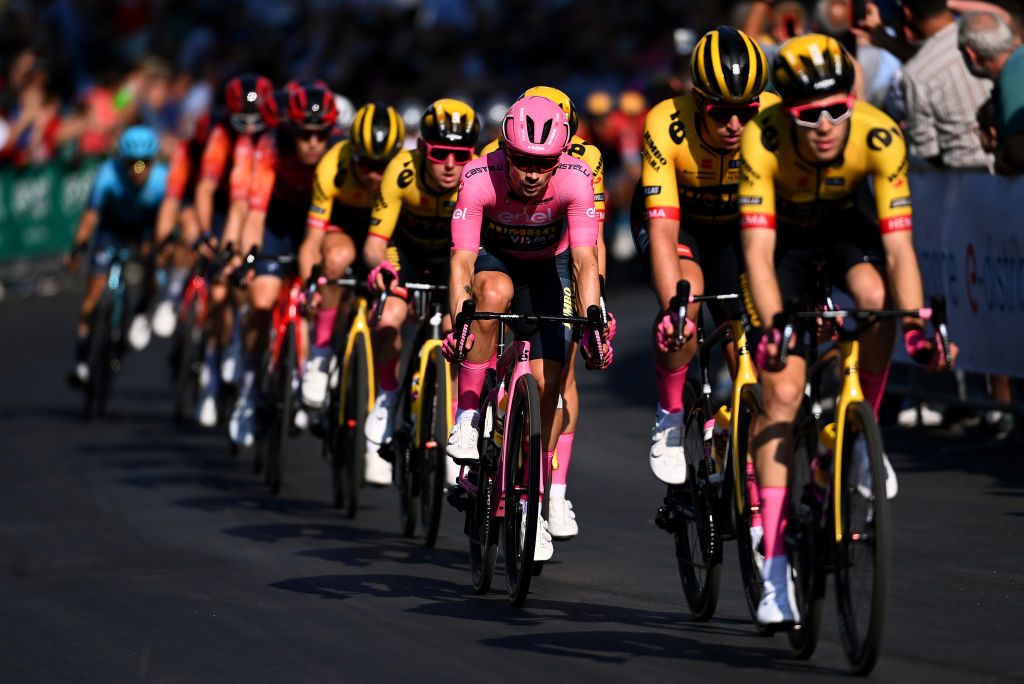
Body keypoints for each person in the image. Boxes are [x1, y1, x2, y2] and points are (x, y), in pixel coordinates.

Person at [739, 34, 957, 626]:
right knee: (782, 391)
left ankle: (859, 435)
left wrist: (917, 327)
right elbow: (757, 254)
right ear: (788, 113)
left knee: (878, 297)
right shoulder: (762, 139)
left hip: (841, 231)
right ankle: (777, 569)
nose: (829, 124)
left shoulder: (880, 134)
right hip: (782, 244)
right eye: (812, 115)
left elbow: (900, 249)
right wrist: (775, 327)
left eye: (840, 107)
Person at [445, 96, 613, 562]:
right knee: (492, 294)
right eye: (522, 161)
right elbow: (461, 259)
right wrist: (461, 312)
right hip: (495, 260)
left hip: (550, 266)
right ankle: (469, 415)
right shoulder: (479, 177)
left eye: (544, 163)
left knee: (548, 390)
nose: (534, 173)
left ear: (560, 156)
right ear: (505, 151)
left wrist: (594, 313)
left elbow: (584, 259)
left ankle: (532, 508)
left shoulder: (577, 180)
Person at [631, 26, 777, 485]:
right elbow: (662, 228)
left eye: (746, 112)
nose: (736, 125)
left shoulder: (775, 120)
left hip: (738, 226)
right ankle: (671, 415)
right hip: (681, 223)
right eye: (721, 113)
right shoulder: (664, 122)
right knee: (687, 300)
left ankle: (749, 447)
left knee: (749, 334)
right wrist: (674, 307)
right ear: (697, 101)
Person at [360, 98, 479, 486]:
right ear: (422, 149)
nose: (449, 164)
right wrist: (382, 267)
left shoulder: (476, 176)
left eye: (459, 155)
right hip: (406, 253)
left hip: (452, 259)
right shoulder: (402, 169)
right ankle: (387, 395)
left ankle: (461, 426)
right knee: (389, 318)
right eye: (439, 153)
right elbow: (376, 240)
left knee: (457, 330)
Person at [226, 81, 337, 447]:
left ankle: (317, 374)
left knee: (325, 297)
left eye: (320, 136)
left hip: (318, 224)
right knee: (261, 299)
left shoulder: (337, 151)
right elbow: (254, 212)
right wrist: (246, 258)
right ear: (292, 130)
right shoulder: (272, 146)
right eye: (304, 135)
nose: (312, 144)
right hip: (276, 222)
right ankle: (250, 385)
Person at [298, 102, 406, 413]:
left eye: (381, 165)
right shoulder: (333, 164)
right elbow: (311, 242)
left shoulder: (402, 170)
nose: (374, 174)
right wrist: (311, 287)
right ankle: (320, 351)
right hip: (343, 224)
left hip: (386, 231)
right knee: (335, 257)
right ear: (352, 152)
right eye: (366, 164)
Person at [189, 74, 275, 427]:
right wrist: (209, 234)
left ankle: (248, 342)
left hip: (263, 204)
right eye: (243, 122)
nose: (250, 129)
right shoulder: (223, 137)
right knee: (222, 280)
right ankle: (210, 368)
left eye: (258, 122)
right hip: (229, 204)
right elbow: (206, 189)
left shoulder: (272, 142)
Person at [65, 126, 169, 385]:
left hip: (145, 227)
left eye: (144, 163)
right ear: (122, 161)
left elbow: (166, 220)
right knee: (94, 292)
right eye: (132, 163)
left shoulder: (162, 180)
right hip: (112, 228)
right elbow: (91, 216)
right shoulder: (107, 175)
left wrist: (160, 250)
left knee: (154, 268)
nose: (138, 170)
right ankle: (81, 361)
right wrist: (77, 249)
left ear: (154, 161)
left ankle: (141, 314)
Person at [901, 0, 994, 170]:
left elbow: (925, 150)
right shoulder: (988, 31)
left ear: (907, 12)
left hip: (964, 176)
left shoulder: (915, 73)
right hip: (1011, 167)